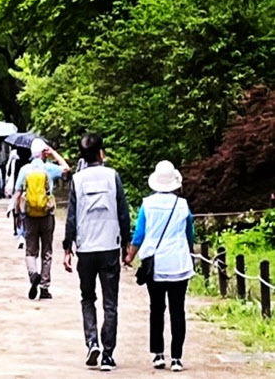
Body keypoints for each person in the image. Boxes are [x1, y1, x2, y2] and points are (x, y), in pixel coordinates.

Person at [63, 132, 130, 372]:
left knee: (87, 297)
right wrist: (127, 246)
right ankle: (108, 355)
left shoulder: (77, 180)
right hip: (110, 245)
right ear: (101, 152)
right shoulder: (113, 177)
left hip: (86, 248)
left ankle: (92, 342)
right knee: (110, 303)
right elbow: (123, 213)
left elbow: (71, 216)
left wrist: (66, 248)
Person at [124, 161, 195, 373]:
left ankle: (158, 354)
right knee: (177, 310)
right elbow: (189, 233)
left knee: (156, 309)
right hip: (178, 264)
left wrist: (130, 256)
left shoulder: (147, 204)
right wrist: (189, 252)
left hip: (155, 264)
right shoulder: (182, 205)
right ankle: (177, 357)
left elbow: (139, 235)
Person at [14, 138, 70, 300]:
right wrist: (53, 153)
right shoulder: (48, 168)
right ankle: (44, 287)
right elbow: (66, 168)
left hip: (30, 215)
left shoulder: (25, 169)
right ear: (43, 153)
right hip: (47, 215)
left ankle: (33, 276)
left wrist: (17, 214)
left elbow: (17, 193)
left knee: (31, 250)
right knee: (47, 251)